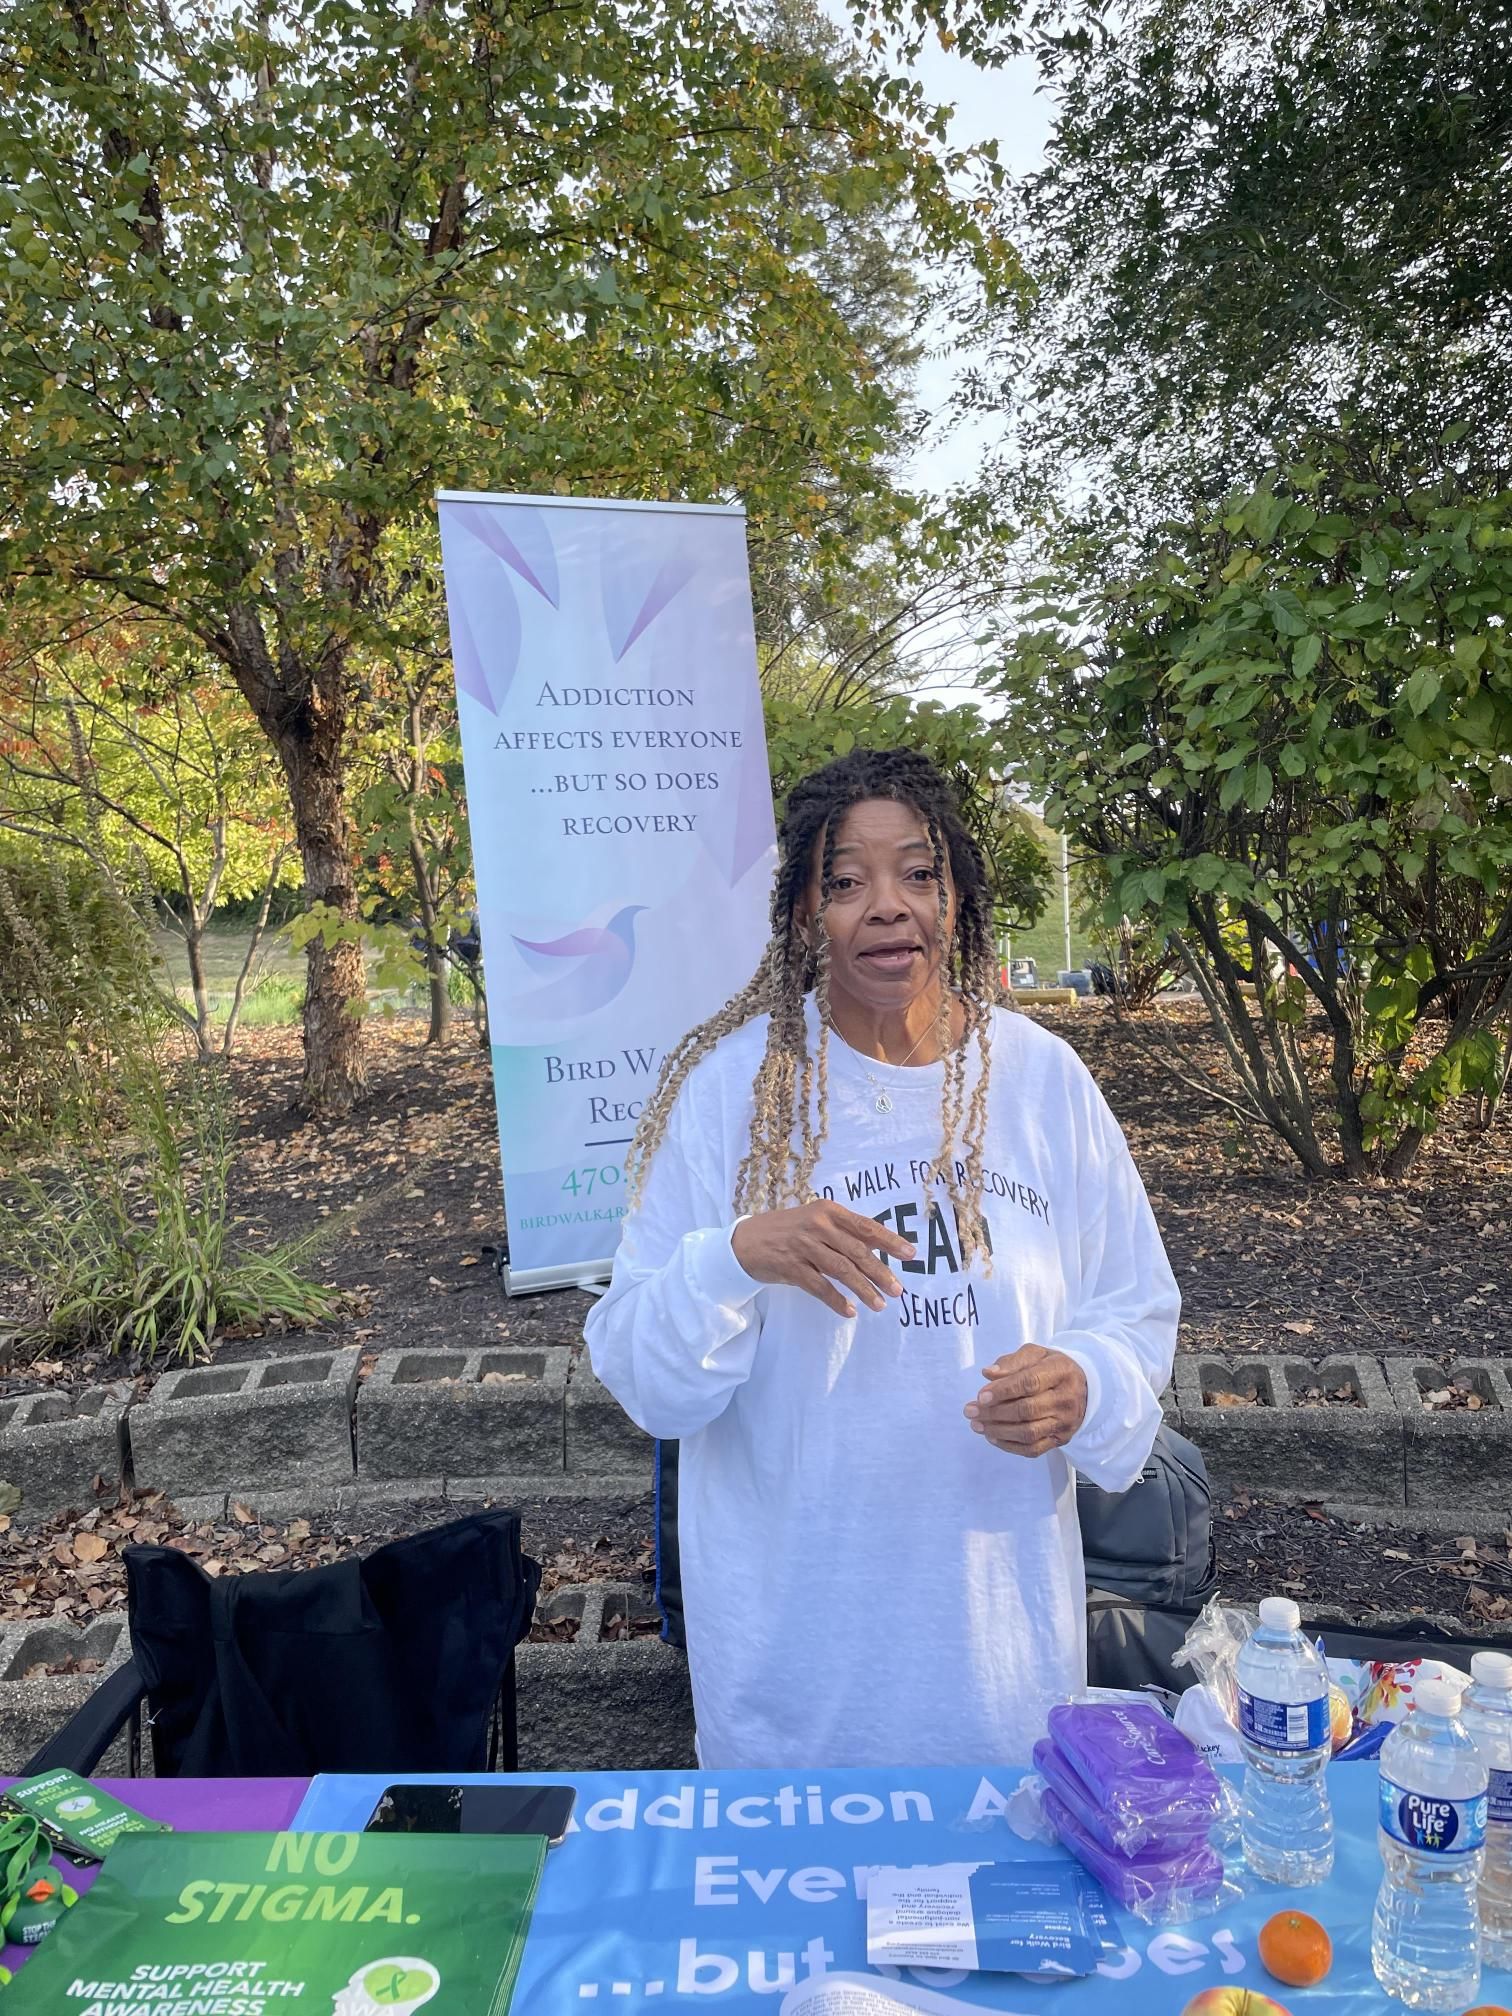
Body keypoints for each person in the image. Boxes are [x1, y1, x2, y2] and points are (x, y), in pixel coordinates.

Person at [585, 749, 1179, 1767]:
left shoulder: (1044, 1083)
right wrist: (735, 1257)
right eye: (846, 883)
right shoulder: (735, 1096)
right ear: (804, 913)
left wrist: (1084, 1382)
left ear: (959, 897)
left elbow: (1135, 1312)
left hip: (998, 1658)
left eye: (918, 874)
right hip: (795, 1672)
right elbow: (644, 1377)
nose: (887, 908)